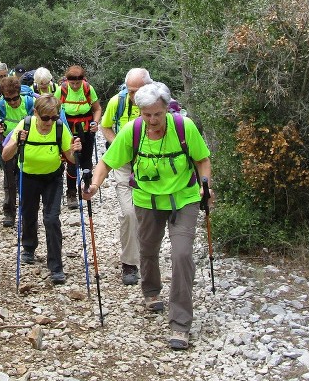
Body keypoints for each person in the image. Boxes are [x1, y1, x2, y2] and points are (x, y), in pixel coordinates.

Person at [85, 82, 213, 351]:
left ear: (167, 108)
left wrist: (205, 185)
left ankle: (180, 323)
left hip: (184, 199)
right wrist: (94, 186)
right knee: (148, 249)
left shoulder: (183, 127)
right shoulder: (133, 131)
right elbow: (107, 162)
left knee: (181, 255)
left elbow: (202, 159)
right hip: (147, 200)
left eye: (157, 114)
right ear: (139, 112)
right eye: (146, 114)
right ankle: (151, 292)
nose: (152, 120)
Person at [1, 95, 81, 285]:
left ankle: (56, 266)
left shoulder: (60, 128)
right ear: (36, 113)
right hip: (27, 176)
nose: (49, 122)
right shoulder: (25, 125)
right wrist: (17, 141)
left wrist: (74, 149)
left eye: (53, 118)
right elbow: (5, 156)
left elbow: (70, 158)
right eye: (45, 118)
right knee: (28, 214)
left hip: (52, 177)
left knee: (51, 219)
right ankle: (28, 247)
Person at [99, 67, 153, 286]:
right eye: (130, 91)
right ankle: (130, 263)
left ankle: (149, 257)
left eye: (138, 90)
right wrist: (118, 146)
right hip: (124, 164)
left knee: (150, 214)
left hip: (151, 162)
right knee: (129, 213)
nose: (134, 95)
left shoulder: (158, 102)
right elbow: (105, 126)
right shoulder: (117, 102)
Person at [0, 75, 35, 227]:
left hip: (28, 146)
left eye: (15, 98)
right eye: (8, 99)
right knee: (9, 180)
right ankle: (9, 212)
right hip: (8, 146)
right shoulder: (0, 107)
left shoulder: (30, 104)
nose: (12, 102)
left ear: (19, 93)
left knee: (26, 179)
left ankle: (26, 211)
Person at [59, 64, 102, 209]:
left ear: (82, 79)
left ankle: (87, 188)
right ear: (67, 80)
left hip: (86, 130)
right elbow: (54, 109)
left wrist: (95, 122)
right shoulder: (62, 90)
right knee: (71, 162)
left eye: (78, 82)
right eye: (73, 83)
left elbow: (97, 109)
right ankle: (71, 193)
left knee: (86, 161)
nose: (76, 85)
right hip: (68, 131)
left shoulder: (88, 88)